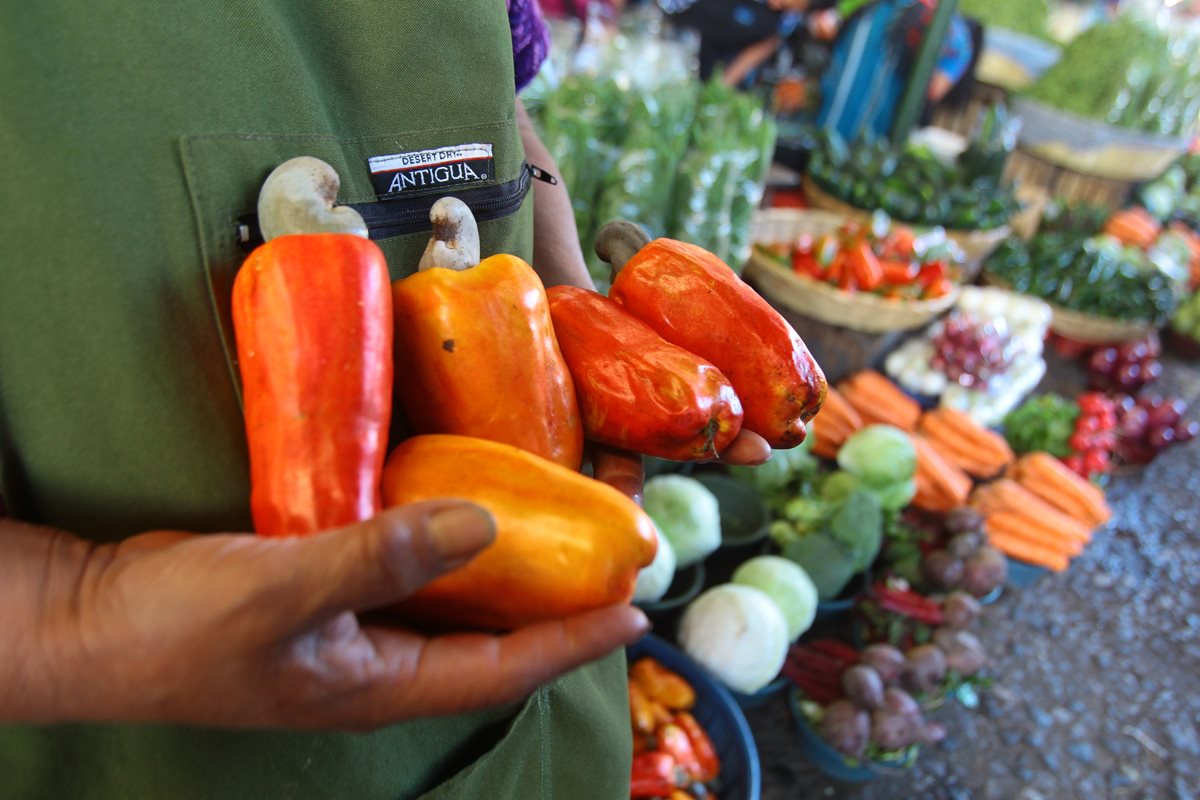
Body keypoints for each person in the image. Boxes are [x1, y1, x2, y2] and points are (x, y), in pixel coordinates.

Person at [0, 1, 769, 798]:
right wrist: (83, 612)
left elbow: (501, 95)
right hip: (158, 732)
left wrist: (579, 312)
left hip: (540, 678)